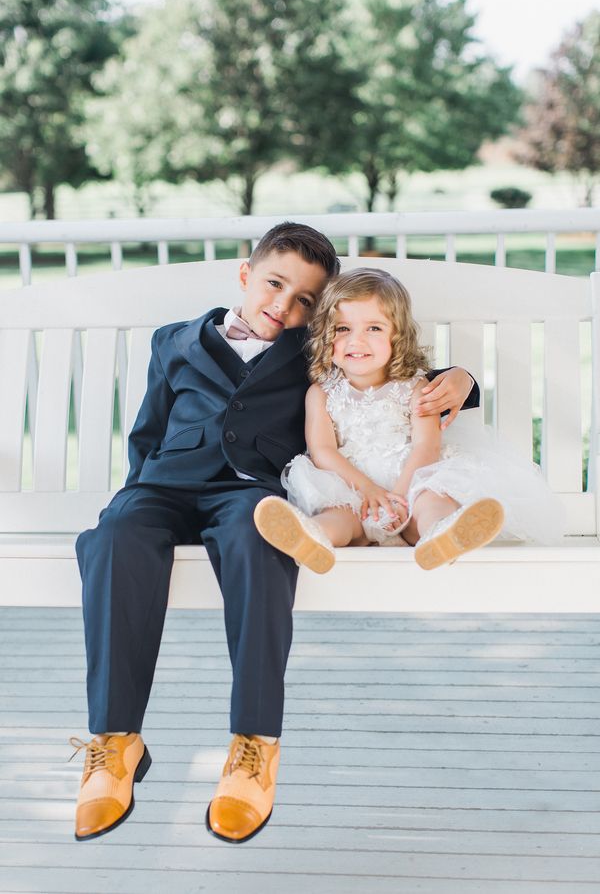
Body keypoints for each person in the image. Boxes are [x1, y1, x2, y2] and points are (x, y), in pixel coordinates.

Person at [71, 226, 479, 846]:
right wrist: (132, 498)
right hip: (165, 485)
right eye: (274, 285)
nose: (284, 307)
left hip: (249, 492)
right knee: (112, 538)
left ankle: (254, 746)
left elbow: (387, 367)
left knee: (264, 539)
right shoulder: (173, 342)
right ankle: (115, 739)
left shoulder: (314, 353)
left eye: (306, 302)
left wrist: (467, 380)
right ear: (245, 274)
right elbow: (148, 430)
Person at [254, 268, 565, 574]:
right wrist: (369, 491)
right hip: (354, 488)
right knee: (339, 514)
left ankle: (442, 535)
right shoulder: (321, 394)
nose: (356, 341)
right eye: (342, 329)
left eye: (373, 328)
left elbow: (426, 447)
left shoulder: (415, 388)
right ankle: (313, 537)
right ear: (324, 335)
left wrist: (400, 497)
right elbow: (323, 452)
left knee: (432, 499)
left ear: (397, 336)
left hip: (411, 482)